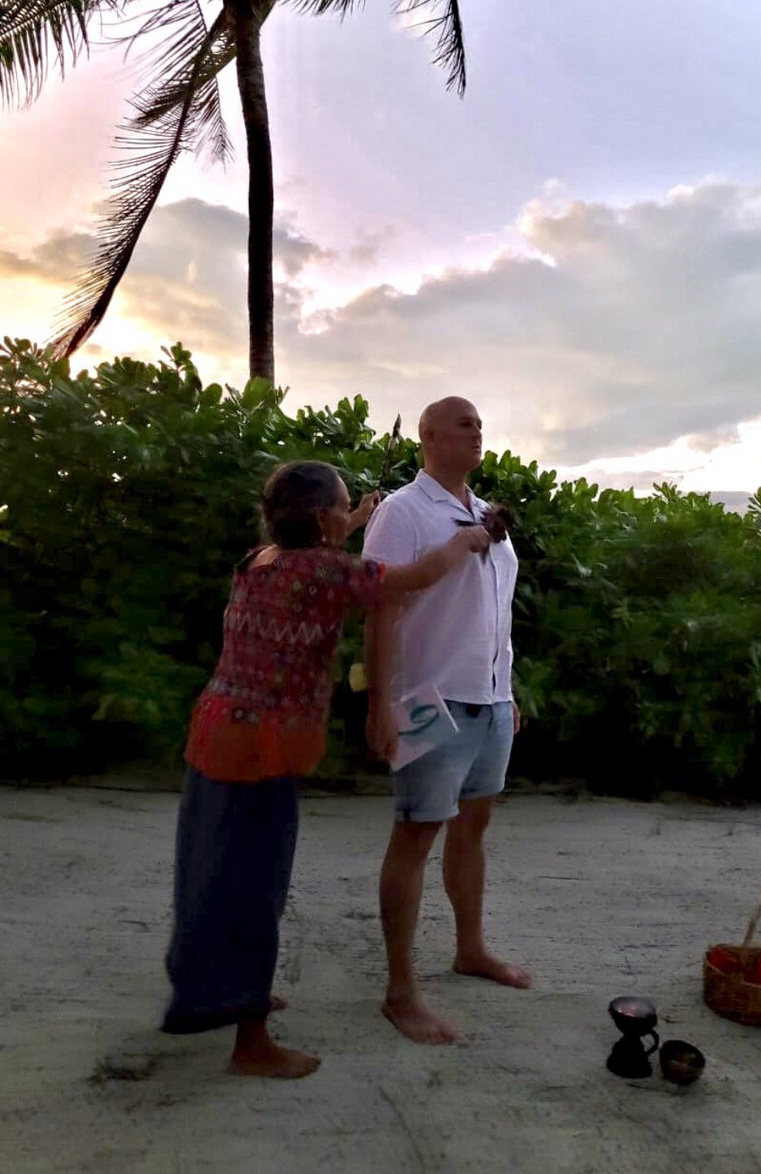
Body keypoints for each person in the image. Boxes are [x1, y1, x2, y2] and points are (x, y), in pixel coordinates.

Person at [161, 459, 489, 1078]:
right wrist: (464, 539)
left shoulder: (261, 558)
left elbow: (320, 553)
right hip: (263, 748)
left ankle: (210, 993)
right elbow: (413, 578)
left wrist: (361, 516)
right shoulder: (326, 571)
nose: (350, 515)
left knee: (208, 872)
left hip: (216, 734)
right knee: (254, 888)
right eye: (343, 508)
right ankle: (250, 1040)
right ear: (320, 519)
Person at [363, 397, 532, 1046]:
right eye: (463, 423)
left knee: (474, 825)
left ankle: (470, 950)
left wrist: (504, 687)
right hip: (429, 701)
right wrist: (379, 702)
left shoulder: (486, 515)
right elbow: (379, 604)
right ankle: (400, 990)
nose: (477, 430)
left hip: (488, 702)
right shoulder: (402, 512)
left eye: (480, 424)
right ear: (428, 436)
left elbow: (497, 610)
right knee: (415, 833)